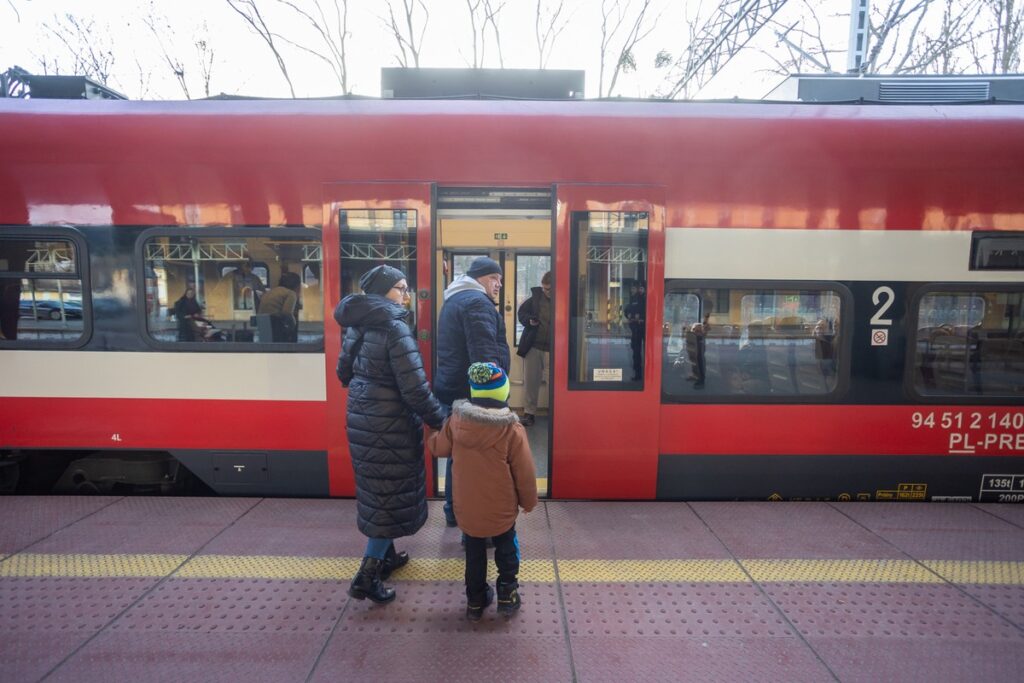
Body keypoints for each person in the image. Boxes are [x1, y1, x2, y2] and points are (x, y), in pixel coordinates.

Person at [334, 264, 448, 604]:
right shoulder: (395, 328)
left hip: (362, 417)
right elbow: (414, 389)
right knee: (388, 494)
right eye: (400, 288)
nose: (406, 294)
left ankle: (388, 557)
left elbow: (343, 373)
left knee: (381, 491)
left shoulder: (357, 325)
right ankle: (366, 577)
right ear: (382, 292)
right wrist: (440, 418)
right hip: (391, 423)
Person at [428, 362, 537, 621]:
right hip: (501, 510)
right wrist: (529, 501)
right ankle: (508, 595)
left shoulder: (456, 421)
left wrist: (433, 433)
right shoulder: (512, 429)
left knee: (474, 554)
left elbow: (438, 448)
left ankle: (475, 601)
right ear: (504, 392)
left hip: (467, 510)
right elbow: (524, 472)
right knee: (506, 548)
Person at [434, 256, 510, 528]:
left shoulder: (455, 300)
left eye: (499, 279)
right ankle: (469, 519)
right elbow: (485, 358)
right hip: (473, 396)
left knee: (461, 456)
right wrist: (492, 400)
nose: (499, 284)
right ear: (479, 277)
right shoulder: (476, 304)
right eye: (494, 278)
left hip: (454, 390)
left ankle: (454, 512)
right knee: (475, 461)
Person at [516, 271, 551, 426]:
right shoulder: (535, 298)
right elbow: (521, 313)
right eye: (544, 288)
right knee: (531, 382)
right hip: (534, 346)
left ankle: (556, 412)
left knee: (554, 383)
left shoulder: (564, 298)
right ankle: (529, 413)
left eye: (548, 289)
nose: (545, 292)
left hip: (554, 349)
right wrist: (529, 321)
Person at [258, 271, 302, 342]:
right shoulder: (291, 293)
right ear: (296, 285)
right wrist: (293, 325)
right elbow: (287, 313)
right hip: (275, 324)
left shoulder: (271, 291)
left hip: (262, 324)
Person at [625, 282, 646, 381]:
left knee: (638, 351)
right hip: (635, 329)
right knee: (635, 351)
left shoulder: (642, 299)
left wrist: (641, 317)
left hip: (640, 328)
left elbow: (645, 311)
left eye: (634, 288)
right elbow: (627, 309)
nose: (632, 290)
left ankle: (639, 374)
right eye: (631, 289)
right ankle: (637, 372)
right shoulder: (633, 298)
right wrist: (628, 314)